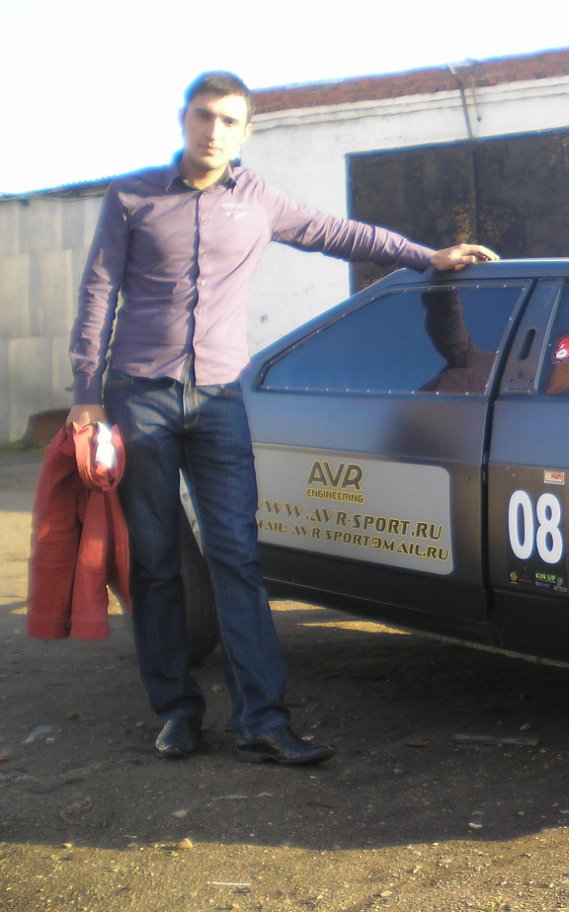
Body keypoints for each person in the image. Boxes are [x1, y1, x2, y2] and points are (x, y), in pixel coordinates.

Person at [67, 71, 498, 765]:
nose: (214, 130)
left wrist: (427, 257)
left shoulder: (259, 200)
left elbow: (337, 233)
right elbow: (98, 295)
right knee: (155, 561)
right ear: (184, 119)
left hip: (219, 400)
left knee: (237, 554)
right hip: (139, 397)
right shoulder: (131, 197)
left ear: (245, 131)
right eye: (204, 116)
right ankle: (176, 710)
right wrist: (86, 395)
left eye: (228, 120)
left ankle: (262, 720)